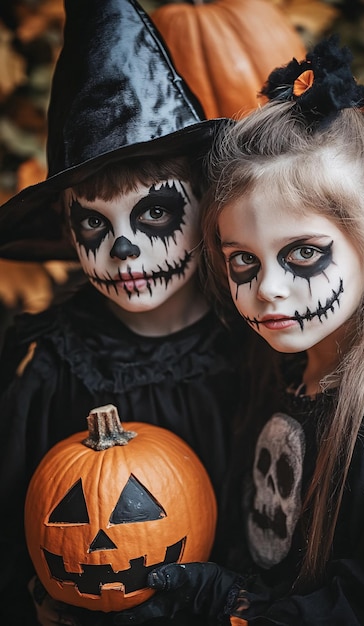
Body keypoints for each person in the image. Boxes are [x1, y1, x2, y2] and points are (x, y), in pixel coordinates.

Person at [113, 36, 364, 625]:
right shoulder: (273, 369)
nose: (268, 287)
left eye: (303, 253)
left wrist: (234, 605)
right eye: (243, 261)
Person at [0, 0, 247, 624]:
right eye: (93, 222)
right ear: (68, 227)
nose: (124, 250)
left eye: (154, 214)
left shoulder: (257, 342)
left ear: (204, 206)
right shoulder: (47, 365)